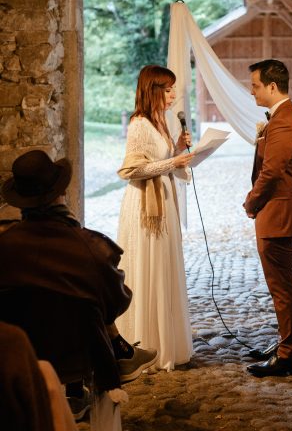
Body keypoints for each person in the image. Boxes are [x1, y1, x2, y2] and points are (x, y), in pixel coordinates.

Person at [0, 149, 158, 418]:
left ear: (21, 201)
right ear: (60, 193)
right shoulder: (92, 247)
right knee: (90, 303)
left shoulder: (5, 245)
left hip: (16, 352)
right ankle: (118, 355)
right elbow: (117, 302)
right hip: (76, 355)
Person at [116, 64, 194, 371]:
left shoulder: (160, 122)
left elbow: (161, 160)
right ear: (153, 90)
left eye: (174, 88)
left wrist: (177, 149)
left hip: (164, 201)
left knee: (163, 269)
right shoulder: (139, 124)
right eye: (168, 88)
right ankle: (144, 342)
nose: (174, 94)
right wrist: (172, 160)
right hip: (145, 208)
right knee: (148, 268)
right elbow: (130, 170)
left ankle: (164, 341)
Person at [243, 59, 292, 377]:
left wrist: (252, 202)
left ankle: (289, 355)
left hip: (277, 212)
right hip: (279, 211)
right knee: (283, 284)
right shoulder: (282, 116)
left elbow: (271, 172)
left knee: (282, 286)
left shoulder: (283, 121)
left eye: (255, 85)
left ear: (272, 86)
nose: (251, 91)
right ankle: (287, 346)